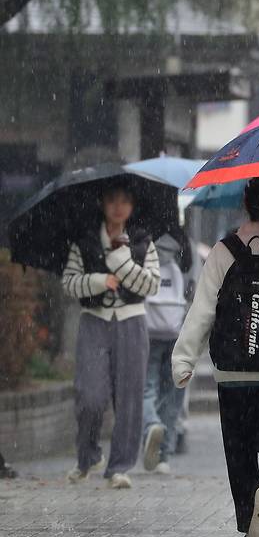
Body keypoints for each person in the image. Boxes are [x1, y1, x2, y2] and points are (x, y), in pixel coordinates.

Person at [172, 177, 259, 537]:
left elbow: (202, 310)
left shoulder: (222, 250)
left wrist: (183, 359)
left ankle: (249, 516)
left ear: (245, 203)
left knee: (239, 447)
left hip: (233, 371)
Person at [61, 181, 160, 489]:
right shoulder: (85, 241)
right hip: (94, 321)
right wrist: (99, 280)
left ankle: (119, 466)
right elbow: (70, 283)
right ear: (103, 204)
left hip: (132, 323)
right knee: (89, 395)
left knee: (129, 398)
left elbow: (151, 285)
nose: (118, 207)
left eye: (125, 201)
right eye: (112, 200)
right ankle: (88, 455)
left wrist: (122, 262)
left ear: (132, 206)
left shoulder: (143, 242)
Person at [142, 232, 190, 475]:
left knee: (147, 388)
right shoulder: (183, 252)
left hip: (148, 331)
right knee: (173, 393)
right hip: (175, 331)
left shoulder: (142, 245)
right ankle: (164, 455)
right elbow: (194, 291)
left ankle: (151, 425)